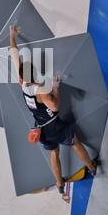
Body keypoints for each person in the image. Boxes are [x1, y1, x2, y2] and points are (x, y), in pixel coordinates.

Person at [9, 25, 98, 198]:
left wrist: (12, 37)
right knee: (75, 142)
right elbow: (55, 106)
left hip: (41, 127)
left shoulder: (23, 83)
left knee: (53, 152)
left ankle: (59, 184)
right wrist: (56, 88)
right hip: (54, 126)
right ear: (33, 73)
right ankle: (92, 167)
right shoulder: (39, 90)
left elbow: (14, 56)